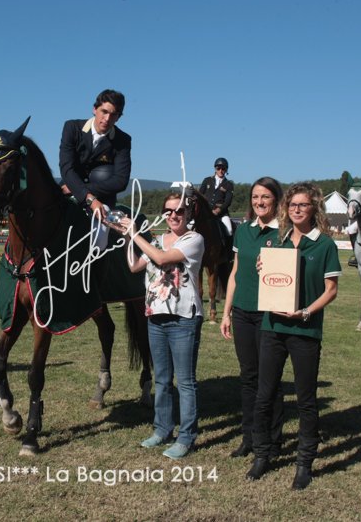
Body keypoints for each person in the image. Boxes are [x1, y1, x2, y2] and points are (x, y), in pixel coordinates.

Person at [247, 182, 341, 490]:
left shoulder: (324, 245)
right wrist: (262, 267)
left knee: (306, 400)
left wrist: (306, 312)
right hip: (272, 328)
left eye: (303, 205)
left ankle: (304, 463)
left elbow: (331, 290)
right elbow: (272, 278)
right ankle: (262, 455)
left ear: (315, 208)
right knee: (264, 396)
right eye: (292, 205)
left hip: (305, 331)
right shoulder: (278, 240)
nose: (297, 210)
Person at [112, 192, 205, 460]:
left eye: (179, 211)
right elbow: (134, 266)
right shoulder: (155, 240)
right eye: (169, 211)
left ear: (188, 213)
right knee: (162, 379)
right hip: (156, 318)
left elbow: (163, 259)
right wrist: (128, 237)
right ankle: (162, 429)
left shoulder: (193, 240)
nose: (174, 215)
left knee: (185, 382)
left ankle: (186, 437)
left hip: (183, 319)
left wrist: (136, 234)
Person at [219, 177, 284, 459]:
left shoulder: (284, 232)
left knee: (270, 379)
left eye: (265, 197)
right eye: (256, 197)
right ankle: (249, 437)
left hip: (270, 313)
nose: (259, 202)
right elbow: (234, 272)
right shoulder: (243, 230)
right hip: (243, 312)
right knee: (248, 377)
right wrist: (226, 312)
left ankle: (273, 439)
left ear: (276, 200)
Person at [59, 89, 131, 222]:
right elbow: (66, 168)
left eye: (113, 115)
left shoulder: (123, 140)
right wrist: (83, 193)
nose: (107, 119)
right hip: (66, 189)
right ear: (94, 109)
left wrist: (81, 190)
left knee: (101, 229)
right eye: (104, 111)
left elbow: (121, 181)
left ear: (118, 117)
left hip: (102, 198)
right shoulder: (72, 128)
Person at [198, 158, 235, 237]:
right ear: (215, 169)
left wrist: (218, 210)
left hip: (221, 214)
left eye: (223, 169)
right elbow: (200, 195)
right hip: (206, 212)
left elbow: (228, 201)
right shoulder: (207, 180)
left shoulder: (229, 184)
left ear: (226, 170)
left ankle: (228, 245)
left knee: (229, 230)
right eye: (218, 168)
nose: (220, 171)